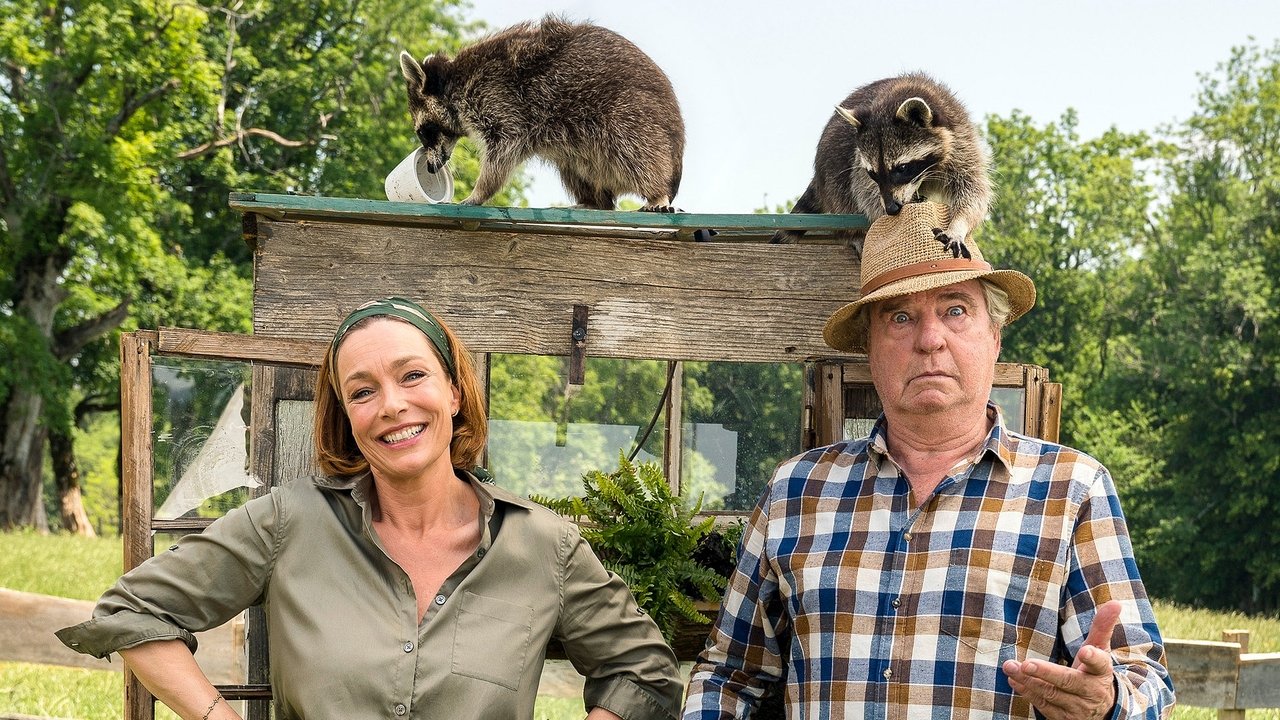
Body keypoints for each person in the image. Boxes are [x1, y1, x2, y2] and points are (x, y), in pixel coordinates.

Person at [58, 297, 683, 720]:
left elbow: (646, 672)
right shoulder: (289, 523)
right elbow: (131, 612)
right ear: (347, 417)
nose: (391, 405)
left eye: (412, 376)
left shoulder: (543, 545)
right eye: (363, 390)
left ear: (455, 393)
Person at [682, 203, 1175, 719]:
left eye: (956, 309)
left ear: (995, 337)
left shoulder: (1072, 489)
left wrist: (1109, 700)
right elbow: (729, 675)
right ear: (870, 349)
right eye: (900, 317)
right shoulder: (797, 490)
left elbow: (1145, 680)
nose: (930, 339)